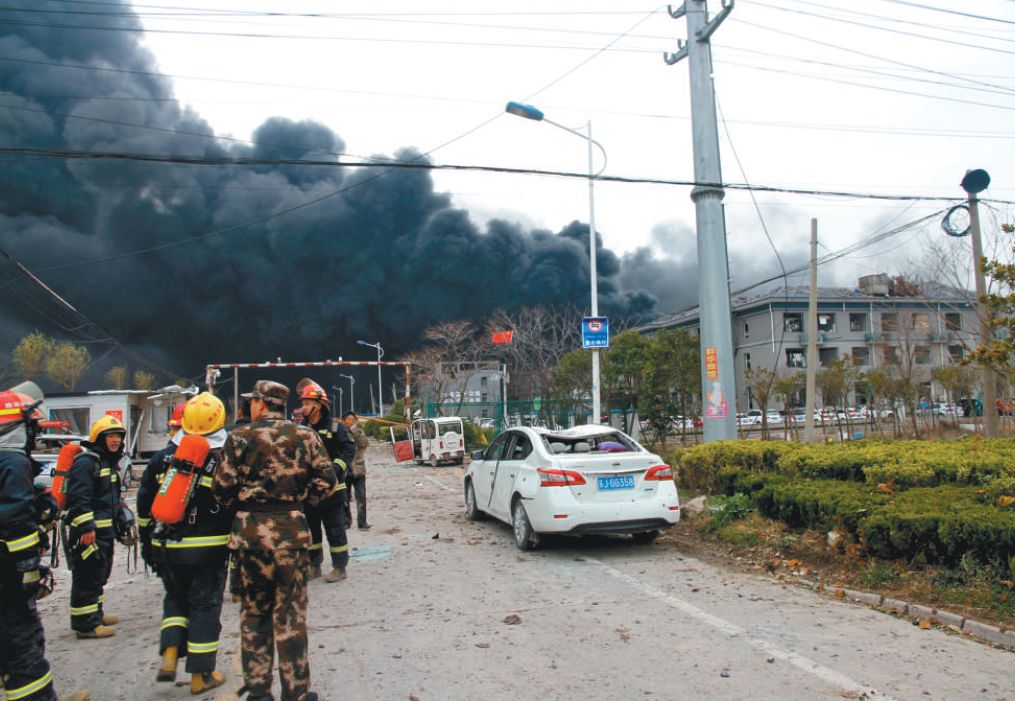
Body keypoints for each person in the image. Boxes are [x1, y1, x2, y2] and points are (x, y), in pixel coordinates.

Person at [213, 381, 335, 701]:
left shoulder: (238, 438)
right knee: (290, 616)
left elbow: (221, 488)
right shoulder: (306, 436)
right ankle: (295, 692)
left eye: (252, 401)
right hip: (291, 535)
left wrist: (247, 507)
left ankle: (258, 691)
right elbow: (327, 481)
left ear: (260, 404)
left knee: (255, 613)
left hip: (249, 538)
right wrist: (296, 503)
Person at [136, 392, 232, 694]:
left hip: (165, 546)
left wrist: (146, 542)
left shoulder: (163, 457)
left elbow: (143, 504)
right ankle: (201, 675)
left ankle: (169, 653)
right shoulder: (221, 459)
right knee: (205, 605)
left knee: (175, 599)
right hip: (207, 550)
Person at [0, 390, 90, 701]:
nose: (35, 434)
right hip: (7, 574)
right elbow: (14, 521)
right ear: (18, 427)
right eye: (33, 428)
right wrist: (29, 568)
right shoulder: (12, 462)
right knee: (22, 643)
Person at [64, 415, 134, 639]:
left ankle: (96, 614)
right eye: (110, 436)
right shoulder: (87, 463)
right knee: (87, 576)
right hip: (89, 533)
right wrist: (86, 528)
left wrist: (122, 521)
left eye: (117, 436)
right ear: (98, 438)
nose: (114, 440)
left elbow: (110, 500)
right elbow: (78, 498)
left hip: (104, 533)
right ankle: (86, 625)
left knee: (99, 574)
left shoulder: (107, 463)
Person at [297, 378, 352, 583]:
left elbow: (348, 450)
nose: (303, 407)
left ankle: (339, 566)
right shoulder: (300, 430)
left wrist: (336, 469)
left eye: (307, 403)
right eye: (302, 403)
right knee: (311, 532)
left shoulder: (336, 428)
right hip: (309, 491)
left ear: (318, 405)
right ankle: (314, 565)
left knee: (335, 529)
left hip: (333, 490)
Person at [342, 412, 370, 530]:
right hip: (344, 470)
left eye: (352, 420)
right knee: (344, 499)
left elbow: (363, 444)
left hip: (358, 470)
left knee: (361, 497)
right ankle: (346, 522)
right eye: (348, 419)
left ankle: (362, 523)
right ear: (343, 421)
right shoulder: (340, 433)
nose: (350, 421)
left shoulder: (358, 432)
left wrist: (353, 429)